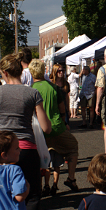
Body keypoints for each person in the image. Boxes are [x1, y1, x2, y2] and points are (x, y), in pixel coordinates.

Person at [0, 53, 52, 210]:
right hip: (27, 150)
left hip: (4, 152)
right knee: (32, 197)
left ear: (5, 72)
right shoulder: (32, 93)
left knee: (6, 196)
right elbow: (45, 127)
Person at [30, 59, 79, 195]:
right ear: (44, 70)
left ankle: (39, 186)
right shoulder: (54, 88)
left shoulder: (31, 89)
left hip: (38, 131)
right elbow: (62, 109)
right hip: (56, 128)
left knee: (39, 157)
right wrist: (64, 123)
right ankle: (70, 178)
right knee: (73, 147)